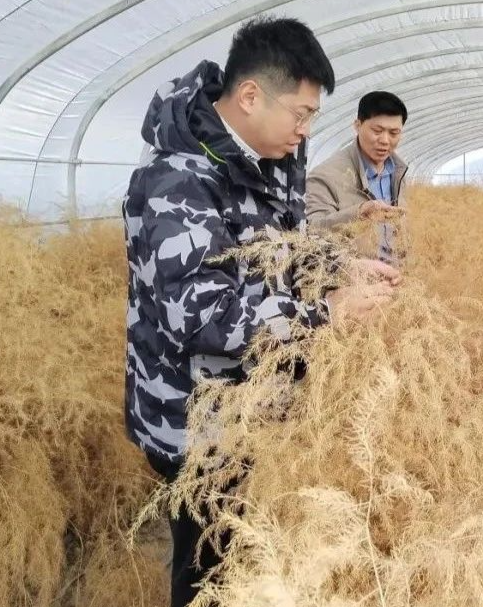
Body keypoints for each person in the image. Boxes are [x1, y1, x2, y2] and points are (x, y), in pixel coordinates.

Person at [122, 17, 398, 607]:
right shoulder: (178, 179)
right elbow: (199, 314)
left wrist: (341, 267)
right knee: (209, 571)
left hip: (254, 409)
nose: (305, 130)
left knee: (251, 558)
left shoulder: (267, 160)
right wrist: (325, 313)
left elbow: (283, 246)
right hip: (199, 425)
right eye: (300, 113)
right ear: (250, 96)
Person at [306, 91, 409, 263]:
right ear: (357, 125)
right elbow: (312, 231)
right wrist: (358, 213)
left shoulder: (398, 172)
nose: (385, 140)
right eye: (377, 131)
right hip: (355, 276)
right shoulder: (326, 175)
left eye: (394, 133)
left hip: (397, 274)